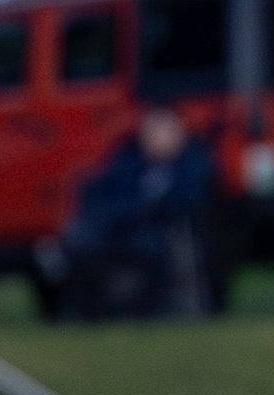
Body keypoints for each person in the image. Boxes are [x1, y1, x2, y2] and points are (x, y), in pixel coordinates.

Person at [49, 107, 218, 320]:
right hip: (118, 229)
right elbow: (108, 189)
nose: (155, 139)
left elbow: (185, 201)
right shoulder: (129, 160)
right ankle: (88, 311)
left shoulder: (190, 164)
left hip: (158, 231)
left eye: (161, 133)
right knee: (86, 244)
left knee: (144, 245)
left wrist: (146, 206)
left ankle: (154, 311)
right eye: (150, 133)